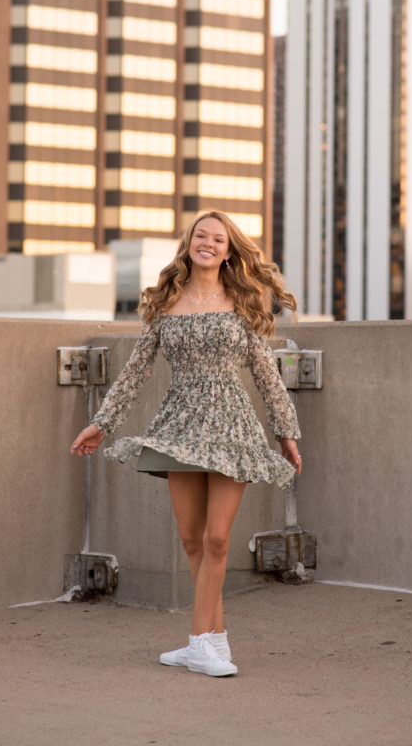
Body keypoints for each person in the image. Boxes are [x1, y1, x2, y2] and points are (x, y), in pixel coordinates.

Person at [70, 210, 302, 678]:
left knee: (218, 538)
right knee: (191, 538)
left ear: (229, 249)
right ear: (190, 242)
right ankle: (211, 640)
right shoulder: (165, 300)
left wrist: (286, 433)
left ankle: (200, 642)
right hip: (178, 425)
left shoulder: (245, 300)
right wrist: (102, 423)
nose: (209, 243)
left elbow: (266, 375)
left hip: (231, 426)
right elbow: (136, 370)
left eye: (219, 239)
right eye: (202, 235)